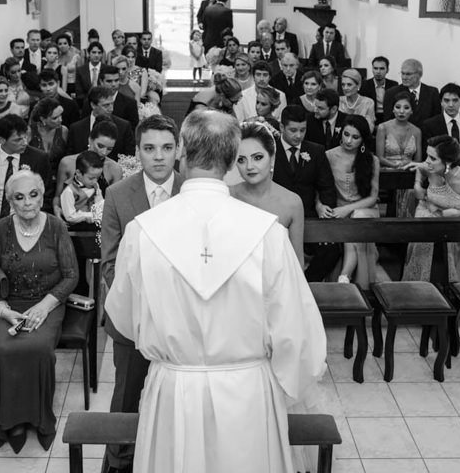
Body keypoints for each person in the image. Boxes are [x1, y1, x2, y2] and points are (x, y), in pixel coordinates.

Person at [106, 109, 326, 473]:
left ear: (182, 153)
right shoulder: (266, 233)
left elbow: (124, 320)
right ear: (230, 161)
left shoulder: (144, 231)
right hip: (247, 394)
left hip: (174, 392)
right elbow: (299, 337)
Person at [0, 169, 79, 453]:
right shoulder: (1, 229)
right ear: (10, 202)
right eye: (19, 198)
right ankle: (9, 421)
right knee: (0, 349)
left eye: (33, 195)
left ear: (42, 195)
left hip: (49, 302)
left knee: (38, 349)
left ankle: (37, 418)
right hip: (9, 305)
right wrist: (3, 310)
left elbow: (71, 275)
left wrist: (45, 306)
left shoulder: (56, 226)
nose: (28, 202)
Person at [99, 115, 181, 472]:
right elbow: (110, 262)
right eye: (149, 149)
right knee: (127, 395)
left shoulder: (192, 190)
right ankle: (119, 461)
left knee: (181, 397)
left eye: (166, 148)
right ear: (138, 152)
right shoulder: (118, 194)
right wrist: (144, 301)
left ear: (178, 150)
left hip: (184, 317)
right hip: (133, 315)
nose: (158, 157)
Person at [274, 105, 341, 282]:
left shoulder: (315, 151)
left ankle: (305, 282)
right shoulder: (270, 151)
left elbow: (326, 186)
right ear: (282, 128)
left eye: (302, 130)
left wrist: (324, 206)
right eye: (293, 130)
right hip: (276, 217)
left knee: (331, 250)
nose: (298, 135)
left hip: (309, 216)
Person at [402, 135, 460, 282]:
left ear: (448, 162)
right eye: (427, 156)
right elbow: (421, 168)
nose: (427, 161)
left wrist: (457, 213)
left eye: (433, 158)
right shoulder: (431, 168)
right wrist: (417, 184)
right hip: (427, 216)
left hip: (452, 226)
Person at [324, 114, 381, 288]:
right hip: (338, 209)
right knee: (353, 223)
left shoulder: (372, 160)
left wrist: (347, 210)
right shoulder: (329, 155)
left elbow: (372, 198)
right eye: (346, 134)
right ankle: (345, 278)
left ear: (363, 139)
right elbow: (320, 187)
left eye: (355, 137)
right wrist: (321, 205)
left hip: (365, 209)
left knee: (357, 217)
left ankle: (344, 275)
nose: (349, 140)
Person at [231, 121, 303, 259]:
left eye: (257, 158)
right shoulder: (228, 196)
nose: (249, 166)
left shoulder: (292, 203)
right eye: (241, 160)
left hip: (278, 279)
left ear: (272, 158)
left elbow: (297, 263)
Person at [0, 114, 51, 231]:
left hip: (28, 223)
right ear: (2, 140)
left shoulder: (39, 158)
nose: (24, 143)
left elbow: (45, 196)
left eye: (25, 137)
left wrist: (30, 221)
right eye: (18, 140)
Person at [56, 119, 124, 212]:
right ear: (90, 139)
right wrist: (57, 211)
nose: (104, 152)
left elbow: (114, 205)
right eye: (100, 146)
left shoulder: (115, 169)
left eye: (109, 149)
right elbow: (57, 197)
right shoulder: (67, 163)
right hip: (68, 220)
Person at [376, 92, 423, 216]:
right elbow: (379, 157)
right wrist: (395, 166)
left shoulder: (417, 131)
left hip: (409, 173)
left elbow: (418, 160)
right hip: (387, 173)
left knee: (412, 187)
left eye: (406, 108)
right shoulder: (383, 128)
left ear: (412, 110)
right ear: (392, 109)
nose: (401, 111)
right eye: (398, 107)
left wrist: (409, 164)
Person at [420, 82, 460, 170]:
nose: (451, 105)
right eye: (446, 100)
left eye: (455, 100)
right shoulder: (430, 125)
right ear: (441, 102)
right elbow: (428, 155)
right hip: (441, 172)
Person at [68, 84, 134, 156]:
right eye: (106, 105)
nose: (111, 109)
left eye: (112, 104)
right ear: (93, 105)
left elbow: (129, 158)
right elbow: (70, 158)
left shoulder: (124, 127)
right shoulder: (76, 129)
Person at [28, 97, 69, 196]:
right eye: (55, 118)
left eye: (61, 115)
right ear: (43, 119)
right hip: (34, 183)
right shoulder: (29, 132)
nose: (60, 120)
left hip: (59, 183)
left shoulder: (63, 131)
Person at [381, 58, 441, 124]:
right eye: (402, 73)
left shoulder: (432, 92)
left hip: (426, 133)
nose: (404, 77)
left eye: (408, 74)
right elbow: (388, 121)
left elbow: (436, 119)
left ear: (419, 74)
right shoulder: (391, 93)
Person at [59, 149, 106, 229]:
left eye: (97, 178)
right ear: (78, 173)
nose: (95, 181)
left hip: (94, 228)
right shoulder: (69, 191)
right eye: (91, 178)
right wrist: (90, 216)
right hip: (76, 230)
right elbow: (70, 217)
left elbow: (100, 204)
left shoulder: (96, 186)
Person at [338, 68, 376, 133]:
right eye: (343, 84)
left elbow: (370, 129)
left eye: (349, 85)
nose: (345, 88)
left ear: (358, 85)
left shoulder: (368, 102)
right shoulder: (338, 100)